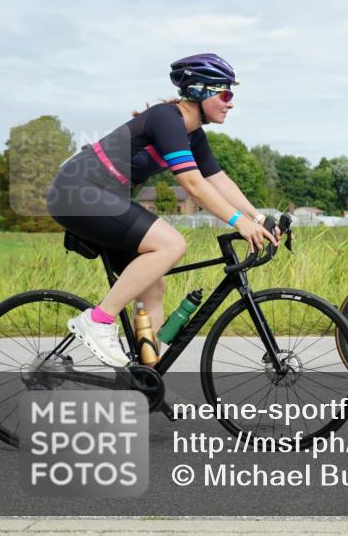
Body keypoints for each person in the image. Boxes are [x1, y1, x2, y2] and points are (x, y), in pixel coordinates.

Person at [46, 53, 277, 367]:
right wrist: (238, 221)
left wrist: (258, 217)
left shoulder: (192, 135)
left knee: (153, 285)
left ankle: (145, 376)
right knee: (171, 244)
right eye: (224, 93)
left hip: (102, 197)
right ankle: (98, 320)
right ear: (198, 91)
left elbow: (218, 179)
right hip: (78, 192)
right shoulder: (166, 118)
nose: (230, 102)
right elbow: (194, 185)